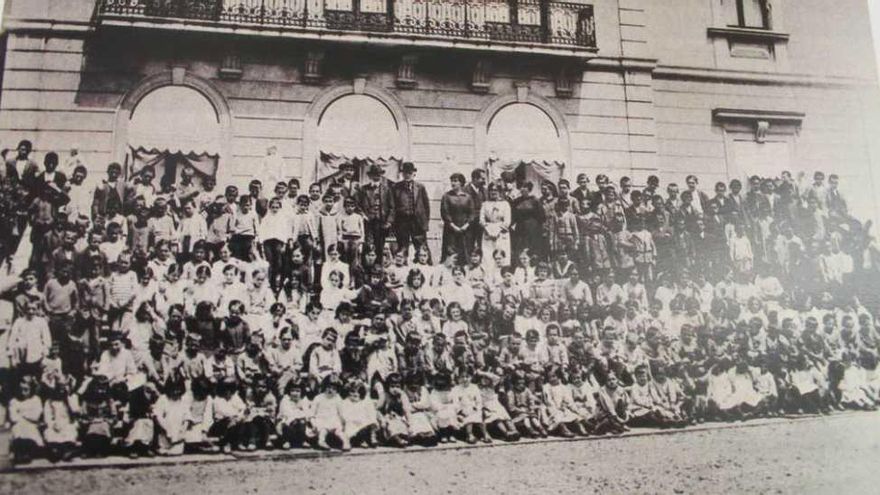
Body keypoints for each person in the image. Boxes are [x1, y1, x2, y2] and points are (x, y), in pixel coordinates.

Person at [357, 164, 395, 264]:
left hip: (381, 223)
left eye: (378, 175)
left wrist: (389, 222)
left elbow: (392, 207)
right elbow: (357, 205)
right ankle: (366, 271)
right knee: (367, 246)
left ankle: (377, 271)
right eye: (374, 175)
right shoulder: (363, 189)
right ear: (370, 176)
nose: (376, 177)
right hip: (368, 223)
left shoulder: (386, 190)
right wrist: (363, 215)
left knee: (379, 248)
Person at [391, 161, 430, 257]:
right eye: (405, 173)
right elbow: (393, 205)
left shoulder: (420, 187)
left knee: (421, 247)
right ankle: (402, 268)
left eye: (409, 173)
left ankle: (424, 268)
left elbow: (426, 206)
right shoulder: (396, 187)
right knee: (402, 247)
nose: (407, 175)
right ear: (402, 174)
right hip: (402, 221)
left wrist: (425, 222)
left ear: (414, 173)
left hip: (417, 222)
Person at [440, 173, 476, 264]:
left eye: (455, 181)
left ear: (461, 183)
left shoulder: (468, 197)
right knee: (451, 252)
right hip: (451, 231)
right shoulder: (446, 196)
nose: (453, 183)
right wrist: (453, 226)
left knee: (465, 252)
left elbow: (472, 213)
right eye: (452, 181)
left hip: (465, 230)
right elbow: (445, 212)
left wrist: (466, 225)